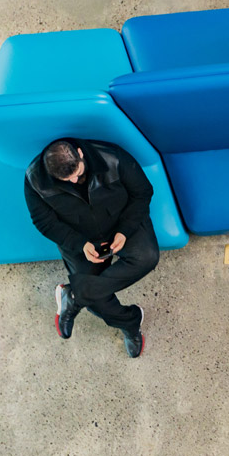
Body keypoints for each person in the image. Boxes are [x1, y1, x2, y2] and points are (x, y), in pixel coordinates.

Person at [24, 139, 159, 358]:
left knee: (148, 257)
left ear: (80, 153)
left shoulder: (113, 157)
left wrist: (124, 230)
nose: (74, 181)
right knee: (97, 299)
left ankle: (75, 296)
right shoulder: (35, 179)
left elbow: (142, 193)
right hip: (80, 235)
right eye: (66, 180)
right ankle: (131, 323)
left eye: (76, 173)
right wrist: (80, 244)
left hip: (121, 221)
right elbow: (43, 222)